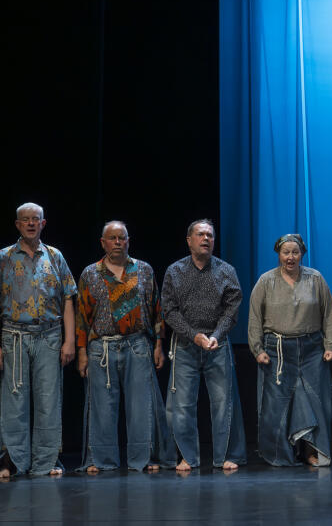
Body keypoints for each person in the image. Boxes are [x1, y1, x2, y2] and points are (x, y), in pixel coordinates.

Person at [75, 221, 175, 472]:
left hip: (137, 344)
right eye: (112, 238)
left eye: (122, 238)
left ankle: (144, 458)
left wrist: (158, 344)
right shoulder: (90, 273)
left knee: (141, 406)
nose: (117, 242)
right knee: (101, 408)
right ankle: (100, 460)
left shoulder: (143, 270)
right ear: (103, 243)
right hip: (101, 348)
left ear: (128, 241)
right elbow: (82, 316)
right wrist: (82, 352)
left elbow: (156, 309)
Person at [248, 234, 332, 466]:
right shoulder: (266, 281)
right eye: (286, 252)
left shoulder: (315, 278)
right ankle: (279, 456)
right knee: (277, 405)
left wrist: (331, 345)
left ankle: (311, 451)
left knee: (316, 401)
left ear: (302, 254)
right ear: (279, 254)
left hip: (311, 350)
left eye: (295, 252)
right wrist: (257, 349)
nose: (290, 257)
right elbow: (255, 318)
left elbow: (329, 313)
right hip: (277, 350)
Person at [163, 219, 247, 471]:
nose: (206, 239)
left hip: (216, 343)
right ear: (189, 240)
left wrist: (216, 335)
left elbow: (232, 309)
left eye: (210, 235)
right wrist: (193, 335)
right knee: (181, 404)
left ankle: (225, 456)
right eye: (200, 234)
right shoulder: (175, 271)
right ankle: (187, 456)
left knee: (224, 402)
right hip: (185, 343)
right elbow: (169, 310)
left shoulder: (226, 270)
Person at [0, 203, 77, 477]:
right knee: (14, 400)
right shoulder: (4, 257)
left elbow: (68, 298)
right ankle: (11, 460)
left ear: (43, 223)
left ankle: (47, 461)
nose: (31, 223)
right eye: (26, 219)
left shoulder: (55, 256)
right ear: (18, 224)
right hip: (14, 335)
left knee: (48, 401)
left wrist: (70, 340)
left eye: (36, 219)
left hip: (49, 335)